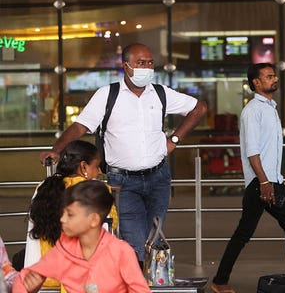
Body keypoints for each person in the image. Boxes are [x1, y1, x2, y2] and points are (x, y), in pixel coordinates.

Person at [39, 43, 207, 263]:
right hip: (123, 183)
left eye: (150, 63)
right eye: (140, 63)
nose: (146, 68)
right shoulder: (107, 95)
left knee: (154, 240)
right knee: (134, 243)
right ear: (125, 66)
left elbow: (199, 108)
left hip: (159, 178)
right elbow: (81, 126)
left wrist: (174, 140)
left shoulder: (160, 93)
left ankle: (146, 283)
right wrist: (56, 149)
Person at [210, 63, 285, 293]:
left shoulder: (270, 107)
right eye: (269, 76)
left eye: (274, 76)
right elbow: (252, 151)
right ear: (256, 83)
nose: (274, 79)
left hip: (268, 180)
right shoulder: (253, 110)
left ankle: (220, 280)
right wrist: (264, 182)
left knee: (244, 233)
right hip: (264, 182)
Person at [12, 180, 150, 293]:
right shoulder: (64, 249)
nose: (62, 219)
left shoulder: (121, 252)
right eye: (63, 213)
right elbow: (23, 279)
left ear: (94, 220)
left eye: (70, 214)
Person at [25, 140, 118, 290]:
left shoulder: (43, 187)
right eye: (97, 166)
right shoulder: (95, 190)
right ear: (83, 166)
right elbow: (110, 226)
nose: (100, 171)